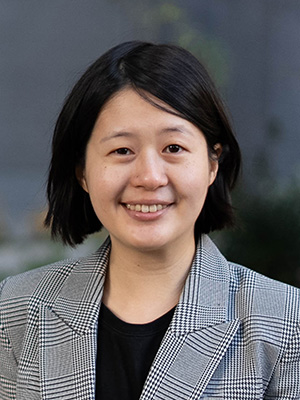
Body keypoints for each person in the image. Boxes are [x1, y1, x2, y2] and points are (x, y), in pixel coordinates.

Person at [0, 41, 299, 400]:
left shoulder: (285, 324)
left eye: (173, 148)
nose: (150, 177)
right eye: (122, 150)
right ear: (82, 172)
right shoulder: (16, 307)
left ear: (212, 164)